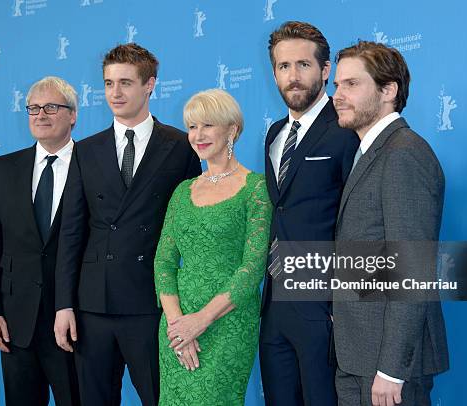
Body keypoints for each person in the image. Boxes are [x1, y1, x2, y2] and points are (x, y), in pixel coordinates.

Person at [52, 43, 201, 406]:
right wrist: (64, 305)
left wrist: (186, 310)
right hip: (93, 305)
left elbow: (191, 233)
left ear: (149, 85)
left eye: (125, 83)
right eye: (108, 84)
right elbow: (71, 233)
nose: (114, 93)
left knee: (160, 397)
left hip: (152, 303)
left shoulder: (181, 146)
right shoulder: (84, 150)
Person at [332, 40, 449, 406]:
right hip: (358, 352)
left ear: (388, 90)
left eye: (351, 84)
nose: (337, 95)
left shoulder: (404, 154)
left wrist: (392, 370)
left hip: (387, 366)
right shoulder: (370, 152)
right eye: (336, 85)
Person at [259, 21, 359, 406]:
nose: (293, 76)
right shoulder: (273, 134)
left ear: (325, 69)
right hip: (275, 306)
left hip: (323, 307)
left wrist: (339, 305)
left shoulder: (346, 130)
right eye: (284, 66)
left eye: (303, 64)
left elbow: (354, 222)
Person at [154, 88, 272, 405]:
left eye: (207, 125)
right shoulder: (182, 191)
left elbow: (253, 267)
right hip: (176, 327)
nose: (197, 135)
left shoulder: (256, 188)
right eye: (192, 127)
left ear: (231, 129)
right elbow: (163, 263)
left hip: (227, 323)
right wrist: (179, 327)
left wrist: (201, 320)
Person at [0, 76, 81, 406]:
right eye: (33, 108)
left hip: (75, 322)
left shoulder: (93, 165)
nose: (40, 114)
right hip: (16, 324)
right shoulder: (2, 168)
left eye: (51, 106)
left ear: (72, 114)